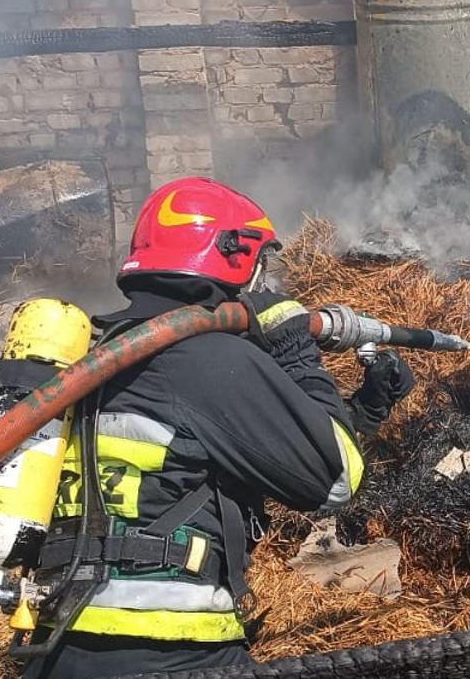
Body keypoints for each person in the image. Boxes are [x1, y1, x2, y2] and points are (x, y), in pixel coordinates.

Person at [21, 177, 415, 678]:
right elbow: (333, 480)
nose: (263, 283)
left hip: (57, 650)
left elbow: (225, 456)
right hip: (169, 651)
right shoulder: (202, 358)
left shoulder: (97, 352)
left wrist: (367, 408)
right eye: (261, 267)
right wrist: (295, 351)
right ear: (235, 258)